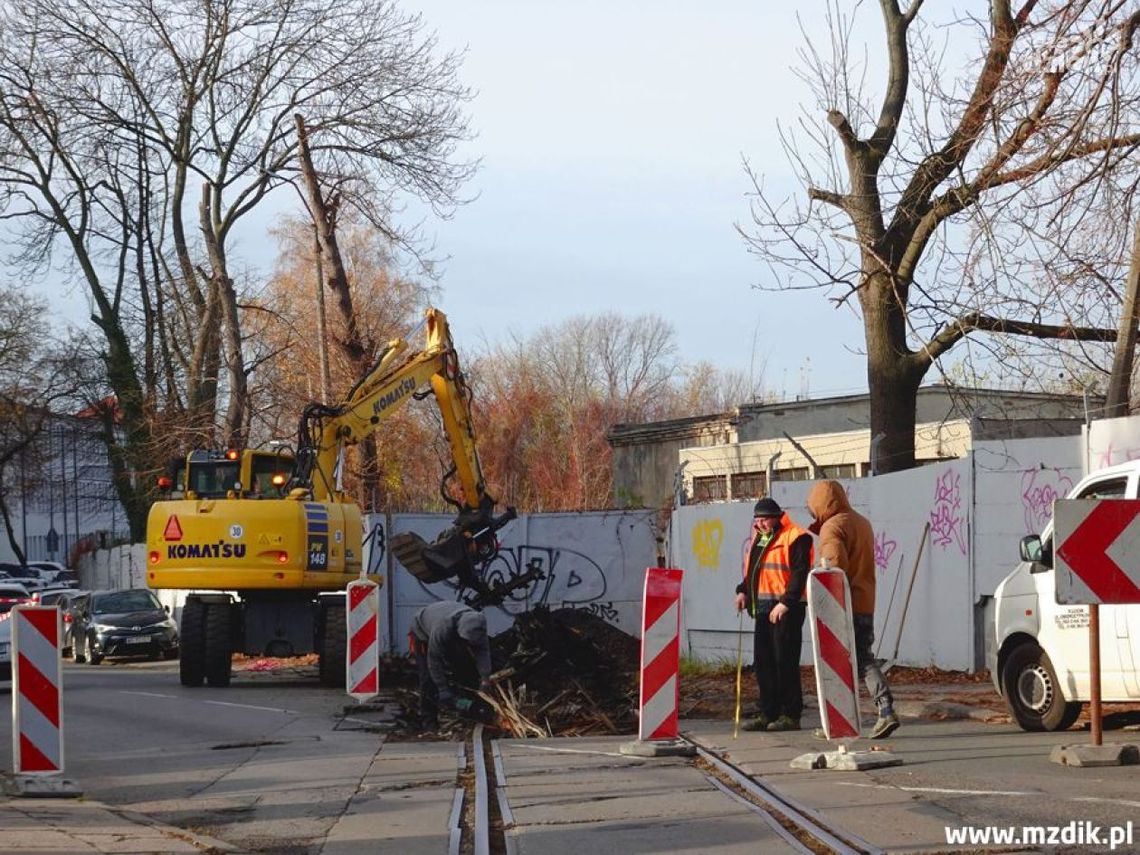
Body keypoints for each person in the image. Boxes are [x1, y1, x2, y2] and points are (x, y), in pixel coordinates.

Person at [806, 480, 899, 739]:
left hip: (843, 604)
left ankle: (883, 709)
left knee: (848, 662)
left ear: (822, 503)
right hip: (865, 600)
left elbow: (832, 569)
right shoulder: (861, 522)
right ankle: (840, 720)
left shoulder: (832, 526)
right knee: (860, 657)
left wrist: (821, 601)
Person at [734, 497, 814, 732]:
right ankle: (769, 712)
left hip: (786, 610)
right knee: (764, 663)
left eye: (765, 519)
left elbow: (800, 574)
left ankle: (791, 714)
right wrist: (743, 591)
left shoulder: (797, 537)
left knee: (785, 662)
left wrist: (785, 603)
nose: (760, 524)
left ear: (777, 517)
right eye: (757, 520)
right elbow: (755, 572)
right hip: (763, 609)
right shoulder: (761, 538)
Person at [409, 601, 493, 729]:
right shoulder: (442, 628)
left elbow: (483, 652)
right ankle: (429, 721)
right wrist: (442, 688)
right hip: (423, 633)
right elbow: (434, 661)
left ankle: (469, 711)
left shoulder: (478, 625)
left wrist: (485, 679)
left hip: (454, 632)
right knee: (428, 679)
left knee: (466, 669)